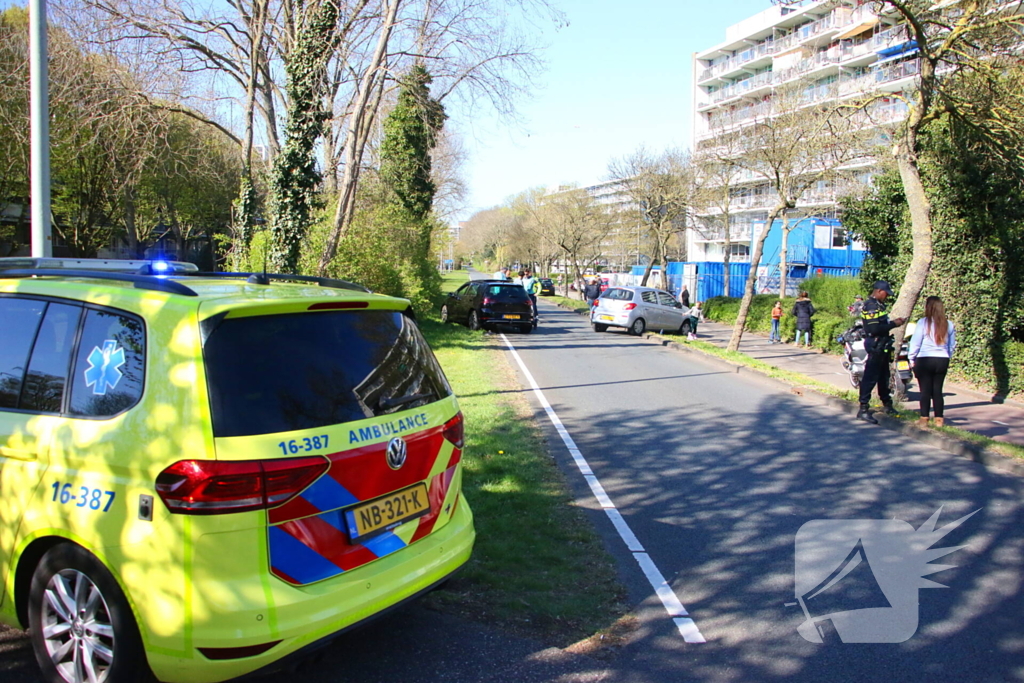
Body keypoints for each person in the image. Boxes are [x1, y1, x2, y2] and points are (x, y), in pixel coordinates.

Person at [856, 280, 907, 424]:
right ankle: (863, 409)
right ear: (879, 291)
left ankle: (887, 405)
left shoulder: (878, 305)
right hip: (876, 345)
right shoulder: (871, 306)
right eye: (885, 293)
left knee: (884, 377)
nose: (886, 296)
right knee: (870, 377)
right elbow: (873, 329)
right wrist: (893, 324)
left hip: (883, 345)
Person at [909, 296, 956, 427]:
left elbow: (916, 342)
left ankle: (924, 418)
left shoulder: (923, 323)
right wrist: (947, 356)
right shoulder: (948, 324)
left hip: (925, 358)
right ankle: (939, 419)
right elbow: (952, 345)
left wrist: (911, 358)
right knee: (937, 390)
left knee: (925, 390)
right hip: (942, 359)